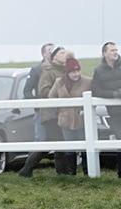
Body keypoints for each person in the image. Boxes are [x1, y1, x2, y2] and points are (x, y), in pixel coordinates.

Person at [18, 45, 67, 176]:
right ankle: (27, 170)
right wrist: (60, 95)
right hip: (50, 113)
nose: (65, 55)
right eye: (62, 53)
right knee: (54, 142)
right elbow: (43, 90)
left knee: (55, 142)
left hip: (59, 113)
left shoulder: (63, 70)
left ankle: (61, 172)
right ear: (55, 56)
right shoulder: (47, 70)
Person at [49, 54, 92, 174]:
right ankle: (70, 174)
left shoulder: (88, 81)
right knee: (70, 149)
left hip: (82, 120)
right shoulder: (59, 82)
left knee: (86, 148)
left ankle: (87, 172)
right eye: (73, 72)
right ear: (67, 72)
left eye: (78, 70)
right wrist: (61, 111)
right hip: (65, 121)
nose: (76, 74)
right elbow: (51, 97)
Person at [91, 41, 121, 177]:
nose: (115, 52)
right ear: (105, 53)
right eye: (112, 50)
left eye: (116, 50)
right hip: (114, 113)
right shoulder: (98, 71)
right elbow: (96, 90)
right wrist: (113, 94)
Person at [24, 43, 54, 142]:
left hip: (57, 111)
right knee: (41, 139)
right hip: (41, 111)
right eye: (49, 50)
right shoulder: (36, 70)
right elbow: (27, 91)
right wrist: (37, 103)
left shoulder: (60, 68)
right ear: (43, 54)